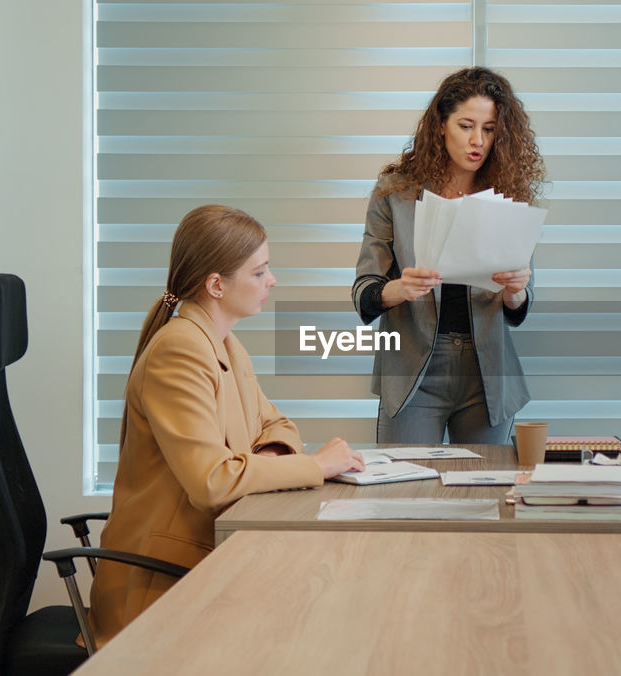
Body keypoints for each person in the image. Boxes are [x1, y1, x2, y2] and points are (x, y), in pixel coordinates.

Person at [87, 205, 365, 647]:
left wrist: (261, 458)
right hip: (164, 584)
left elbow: (277, 424)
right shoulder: (179, 351)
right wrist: (317, 466)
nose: (271, 281)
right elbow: (212, 480)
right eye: (259, 272)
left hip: (209, 554)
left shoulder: (225, 344)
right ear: (216, 284)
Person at [352, 66, 546, 444]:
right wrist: (400, 288)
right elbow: (364, 293)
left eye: (489, 130)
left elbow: (519, 311)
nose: (478, 141)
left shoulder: (509, 194)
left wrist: (516, 291)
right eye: (466, 125)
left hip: (486, 371)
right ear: (441, 125)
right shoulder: (395, 192)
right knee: (405, 492)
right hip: (413, 370)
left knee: (482, 495)